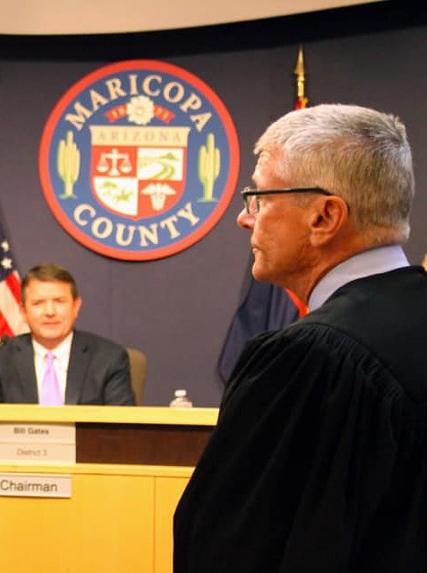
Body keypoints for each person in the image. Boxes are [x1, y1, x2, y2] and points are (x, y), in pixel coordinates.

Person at [174, 104, 427, 571]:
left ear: (324, 217)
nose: (244, 219)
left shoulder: (309, 361)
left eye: (260, 197)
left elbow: (228, 547)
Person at [0, 262, 135, 405]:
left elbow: (123, 431)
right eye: (38, 303)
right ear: (23, 311)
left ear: (76, 307)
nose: (50, 312)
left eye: (59, 301)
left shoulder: (109, 358)